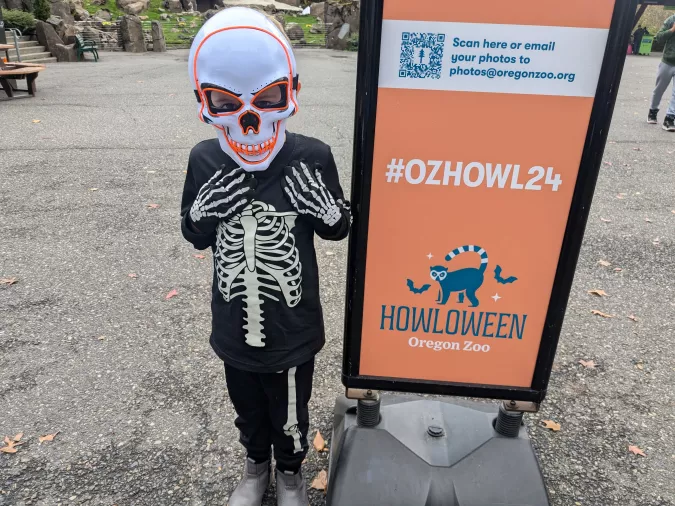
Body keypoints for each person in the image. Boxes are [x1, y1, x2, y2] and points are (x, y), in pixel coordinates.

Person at [181, 7, 350, 506]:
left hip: (293, 326)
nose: (250, 120)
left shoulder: (312, 156)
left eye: (268, 99)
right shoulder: (204, 159)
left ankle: (292, 473)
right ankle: (256, 467)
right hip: (233, 323)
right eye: (225, 104)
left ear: (289, 94)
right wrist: (205, 212)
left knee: (292, 409)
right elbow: (194, 234)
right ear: (205, 103)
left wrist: (328, 209)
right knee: (248, 406)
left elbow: (336, 229)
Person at [648, 15, 675, 130]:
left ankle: (669, 118)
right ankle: (653, 111)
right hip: (667, 61)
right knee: (659, 89)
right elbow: (658, 37)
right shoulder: (671, 20)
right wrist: (672, 30)